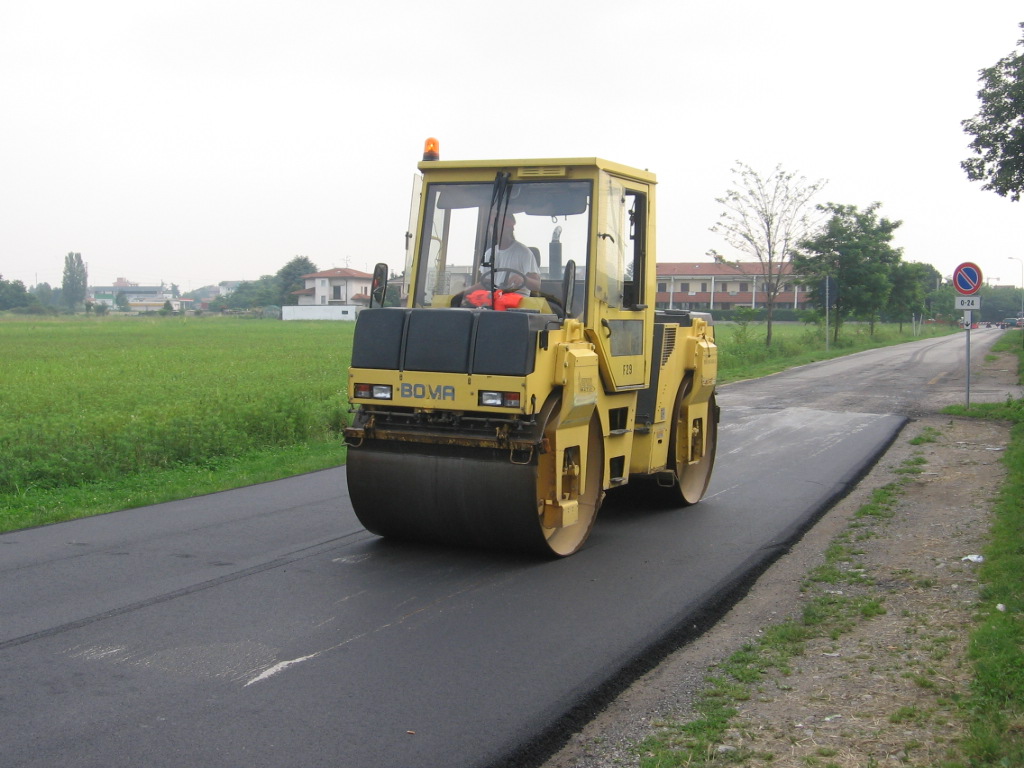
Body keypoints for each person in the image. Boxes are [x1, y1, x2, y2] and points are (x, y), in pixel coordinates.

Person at [468, 212, 540, 296]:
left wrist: (523, 279)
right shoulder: (489, 253)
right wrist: (462, 294)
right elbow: (485, 283)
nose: (494, 230)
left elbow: (537, 285)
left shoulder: (524, 252)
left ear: (510, 229)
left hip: (518, 302)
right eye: (492, 227)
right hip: (496, 300)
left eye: (499, 227)